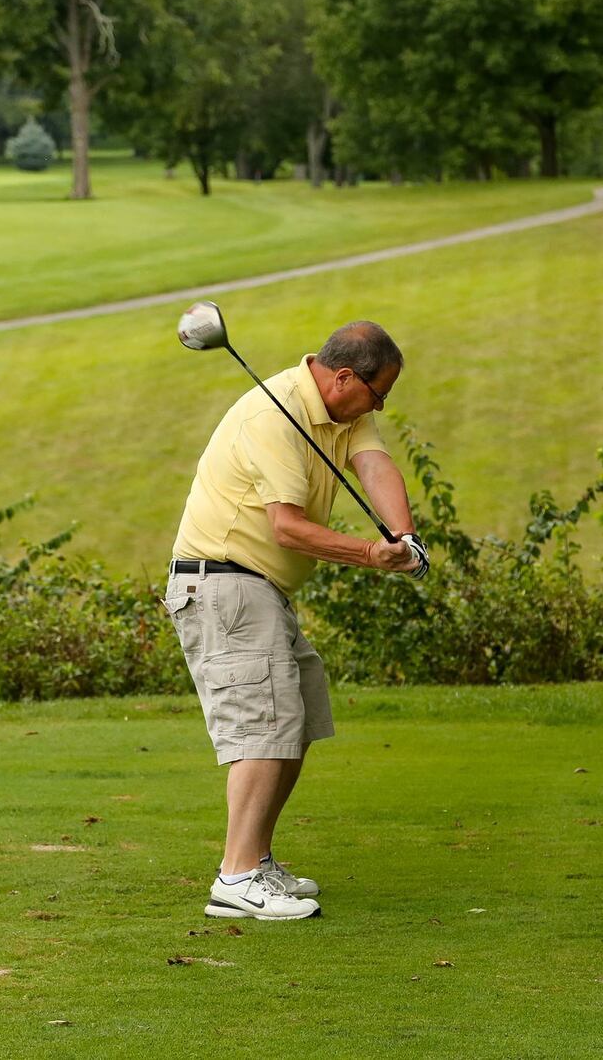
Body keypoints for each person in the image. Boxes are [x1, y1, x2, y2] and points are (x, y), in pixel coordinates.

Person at [163, 320, 424, 920]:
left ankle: (255, 861)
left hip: (259, 588)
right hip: (224, 582)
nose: (381, 405)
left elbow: (376, 466)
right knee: (264, 724)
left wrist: (404, 535)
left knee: (295, 717)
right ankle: (234, 877)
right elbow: (287, 528)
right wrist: (369, 553)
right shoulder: (274, 418)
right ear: (343, 377)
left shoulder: (343, 411)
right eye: (378, 394)